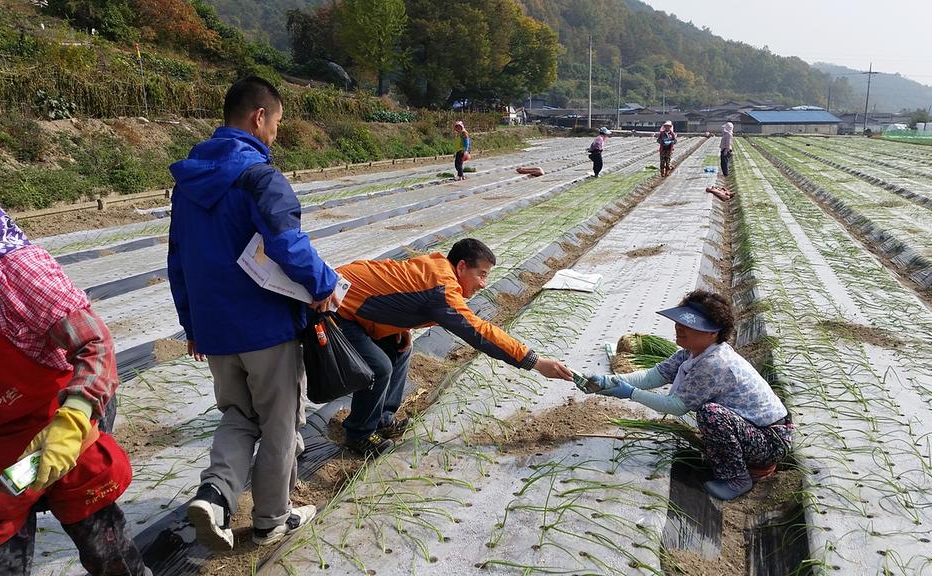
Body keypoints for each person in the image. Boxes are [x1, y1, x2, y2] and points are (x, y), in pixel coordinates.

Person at [168, 76, 342, 551]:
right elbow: (287, 243)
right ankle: (270, 520)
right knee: (281, 424)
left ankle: (215, 494)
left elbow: (178, 259)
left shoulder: (187, 184)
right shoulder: (259, 176)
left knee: (237, 415)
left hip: (215, 330)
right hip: (265, 326)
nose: (277, 134)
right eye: (278, 122)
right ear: (258, 117)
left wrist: (191, 324)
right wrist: (325, 284)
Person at [0, 197, 149, 576]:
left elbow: (95, 344)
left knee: (106, 547)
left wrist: (74, 418)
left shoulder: (13, 272)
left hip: (57, 418)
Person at [333, 238, 575, 456]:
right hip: (335, 307)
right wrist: (535, 362)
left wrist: (398, 329)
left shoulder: (438, 270)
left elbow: (395, 296)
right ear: (461, 267)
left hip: (355, 303)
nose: (483, 283)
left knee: (401, 350)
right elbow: (478, 332)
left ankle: (382, 419)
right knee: (379, 367)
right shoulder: (442, 288)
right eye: (481, 274)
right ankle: (359, 435)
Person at [586, 290, 791, 501]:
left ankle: (737, 478)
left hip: (769, 441)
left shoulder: (715, 363)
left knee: (710, 414)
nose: (679, 328)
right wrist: (606, 382)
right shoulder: (692, 352)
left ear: (713, 332)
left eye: (690, 325)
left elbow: (676, 406)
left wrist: (631, 394)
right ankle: (737, 464)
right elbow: (652, 377)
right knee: (709, 415)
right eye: (678, 322)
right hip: (752, 432)